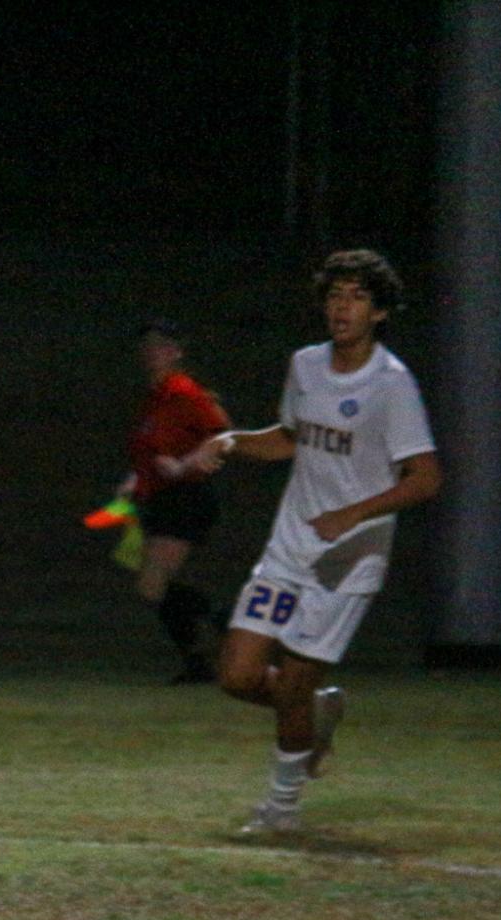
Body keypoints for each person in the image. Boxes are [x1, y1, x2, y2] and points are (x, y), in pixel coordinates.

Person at [180, 249, 441, 834]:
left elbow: (425, 478)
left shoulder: (392, 385)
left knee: (294, 680)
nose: (341, 307)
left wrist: (352, 515)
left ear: (378, 313)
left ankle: (280, 808)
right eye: (334, 295)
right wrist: (230, 441)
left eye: (356, 297)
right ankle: (315, 713)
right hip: (289, 549)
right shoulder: (306, 365)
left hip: (348, 564)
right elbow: (290, 439)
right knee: (239, 676)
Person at [116, 319, 233, 683]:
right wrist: (136, 478)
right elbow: (153, 451)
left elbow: (224, 433)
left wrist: (188, 464)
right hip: (163, 498)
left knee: (153, 585)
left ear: (177, 351)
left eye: (162, 345)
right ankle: (205, 651)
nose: (153, 352)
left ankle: (227, 631)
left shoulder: (182, 390)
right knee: (153, 586)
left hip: (186, 498)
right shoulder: (154, 397)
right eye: (148, 345)